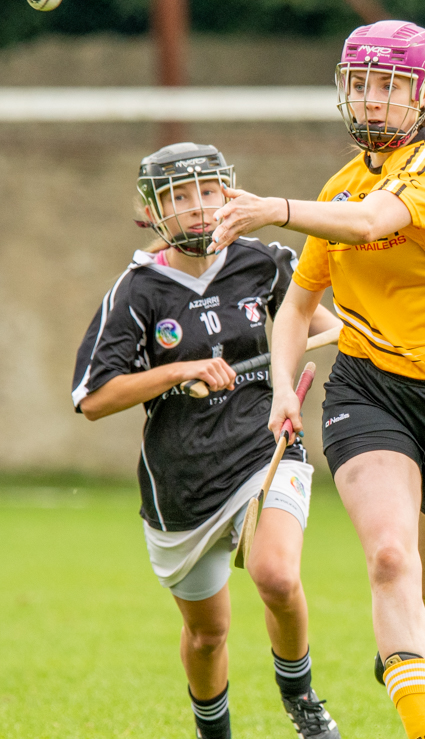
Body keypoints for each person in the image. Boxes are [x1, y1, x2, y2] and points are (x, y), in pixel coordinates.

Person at [205, 21, 425, 739]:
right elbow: (298, 306)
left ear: (424, 95)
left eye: (390, 87)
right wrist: (283, 386)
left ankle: (419, 629)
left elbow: (375, 220)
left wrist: (275, 209)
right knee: (388, 554)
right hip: (368, 387)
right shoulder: (342, 187)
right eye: (361, 85)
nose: (373, 102)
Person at [71, 142, 341, 739]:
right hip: (181, 482)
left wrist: (300, 365)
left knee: (275, 574)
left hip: (263, 447)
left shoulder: (263, 262)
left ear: (229, 194)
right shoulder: (138, 292)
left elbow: (332, 330)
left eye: (209, 192)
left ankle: (299, 695)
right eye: (180, 196)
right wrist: (177, 372)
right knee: (207, 633)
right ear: (155, 210)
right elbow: (93, 398)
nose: (198, 208)